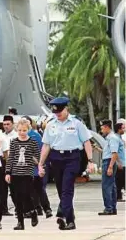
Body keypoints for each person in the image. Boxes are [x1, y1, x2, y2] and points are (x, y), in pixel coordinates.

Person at [38, 97, 94, 230]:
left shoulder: (76, 123)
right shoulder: (51, 124)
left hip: (72, 157)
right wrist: (40, 163)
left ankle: (64, 217)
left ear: (66, 109)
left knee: (67, 189)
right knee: (60, 189)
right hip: (56, 158)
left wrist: (90, 161)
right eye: (56, 113)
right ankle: (69, 218)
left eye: (60, 112)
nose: (58, 115)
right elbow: (46, 145)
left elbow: (86, 142)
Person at [5, 119, 40, 230]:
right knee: (17, 197)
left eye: (24, 130)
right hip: (15, 173)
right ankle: (20, 222)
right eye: (19, 130)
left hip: (27, 173)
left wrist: (35, 160)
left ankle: (33, 211)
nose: (22, 132)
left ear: (28, 130)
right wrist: (8, 172)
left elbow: (37, 157)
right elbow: (10, 158)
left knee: (26, 194)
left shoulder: (32, 142)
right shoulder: (14, 142)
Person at [22, 116, 52, 218]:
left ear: (30, 124)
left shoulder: (35, 136)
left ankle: (46, 209)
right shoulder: (20, 137)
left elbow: (38, 152)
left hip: (34, 167)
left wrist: (38, 164)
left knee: (38, 189)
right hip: (25, 168)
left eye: (25, 122)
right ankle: (35, 209)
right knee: (29, 190)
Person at [98, 120, 119, 216]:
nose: (101, 130)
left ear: (107, 127)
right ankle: (112, 208)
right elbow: (108, 152)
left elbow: (114, 153)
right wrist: (98, 149)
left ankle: (108, 208)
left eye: (102, 128)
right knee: (111, 186)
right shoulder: (109, 138)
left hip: (109, 162)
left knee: (106, 186)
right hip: (108, 161)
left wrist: (110, 167)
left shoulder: (112, 138)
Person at [1, 115, 17, 216]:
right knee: (2, 188)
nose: (6, 126)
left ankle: (19, 207)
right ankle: (3, 209)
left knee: (14, 187)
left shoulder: (16, 135)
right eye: (4, 124)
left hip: (13, 162)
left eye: (8, 124)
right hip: (2, 162)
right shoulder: (1, 135)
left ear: (12, 124)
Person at [115, 121, 125, 202]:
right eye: (123, 128)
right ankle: (118, 196)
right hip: (120, 164)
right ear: (119, 129)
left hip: (123, 162)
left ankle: (119, 196)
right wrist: (118, 162)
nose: (124, 130)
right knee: (119, 181)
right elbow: (115, 152)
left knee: (121, 181)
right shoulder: (116, 138)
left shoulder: (120, 138)